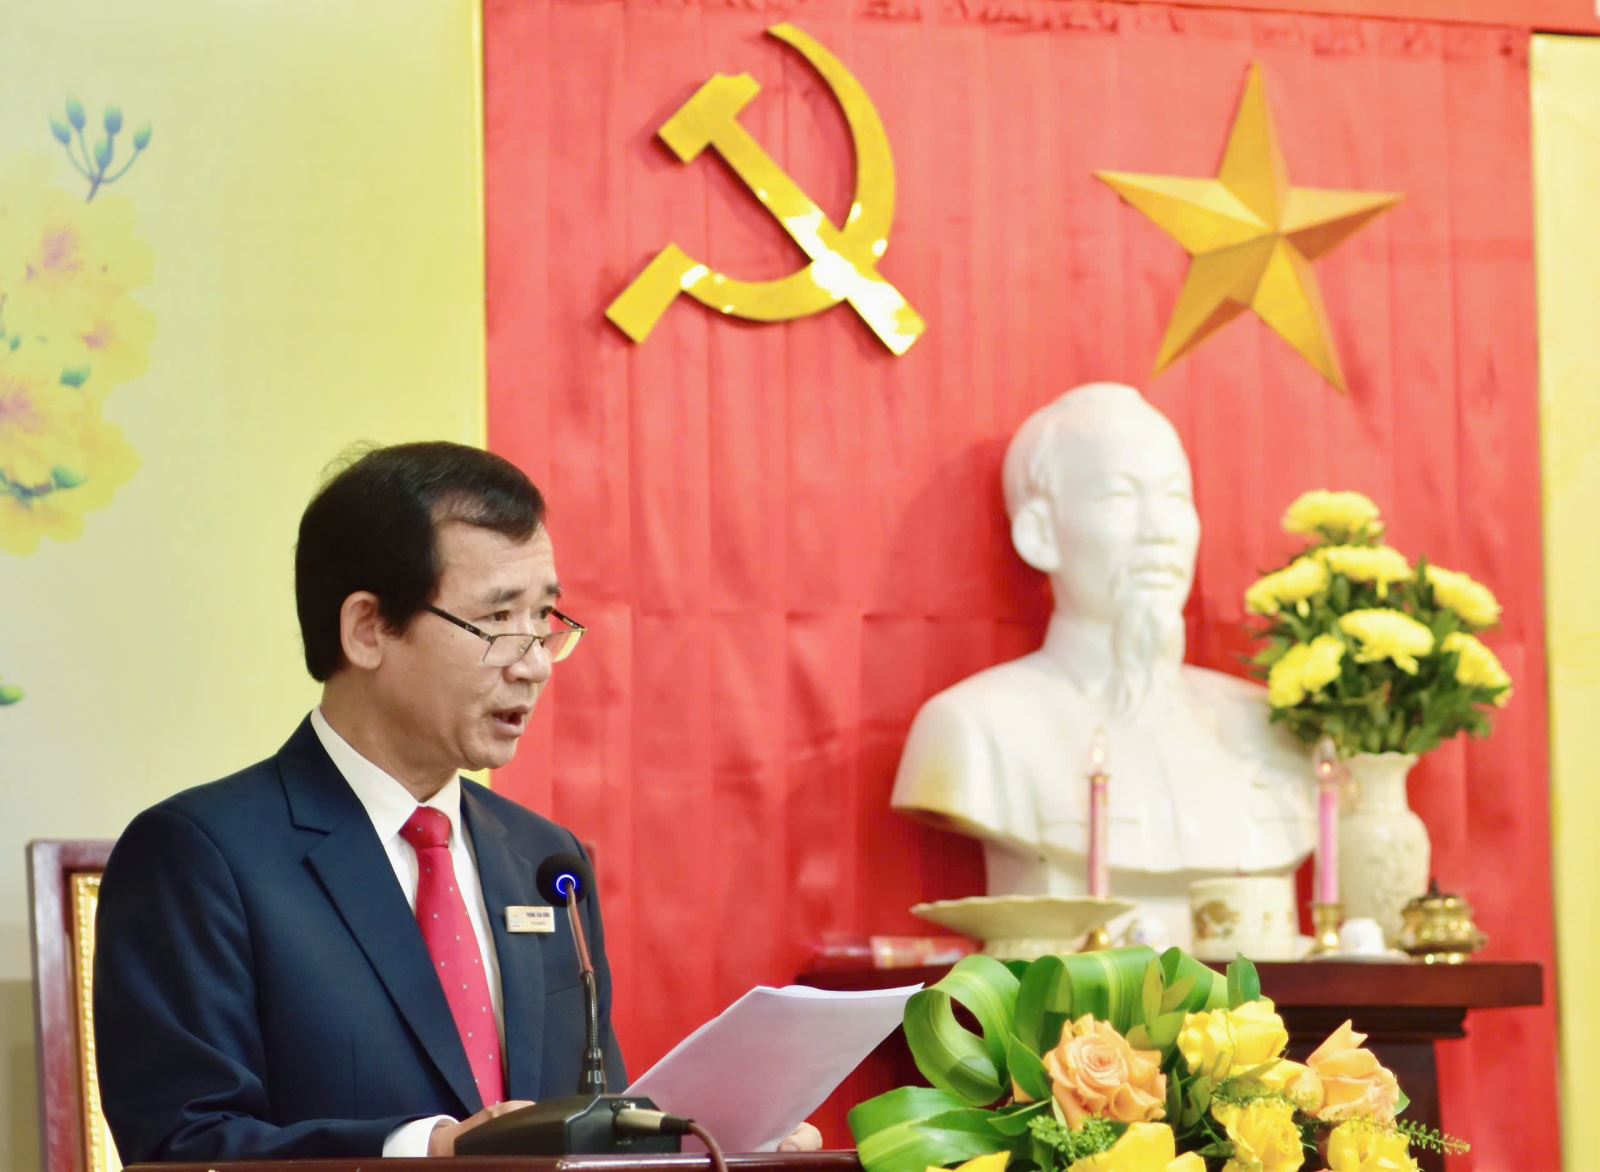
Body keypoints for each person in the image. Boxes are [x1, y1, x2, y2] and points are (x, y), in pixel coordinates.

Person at [94, 442, 822, 1161]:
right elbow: (182, 1147)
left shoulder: (543, 858)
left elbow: (582, 1128)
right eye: (499, 620)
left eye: (545, 618)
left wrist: (700, 1145)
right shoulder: (201, 856)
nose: (534, 664)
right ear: (368, 629)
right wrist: (431, 1151)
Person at [891, 384, 1315, 946]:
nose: (1160, 531)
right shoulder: (974, 729)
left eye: (1175, 497)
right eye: (1120, 497)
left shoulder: (1271, 726)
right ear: (1040, 533)